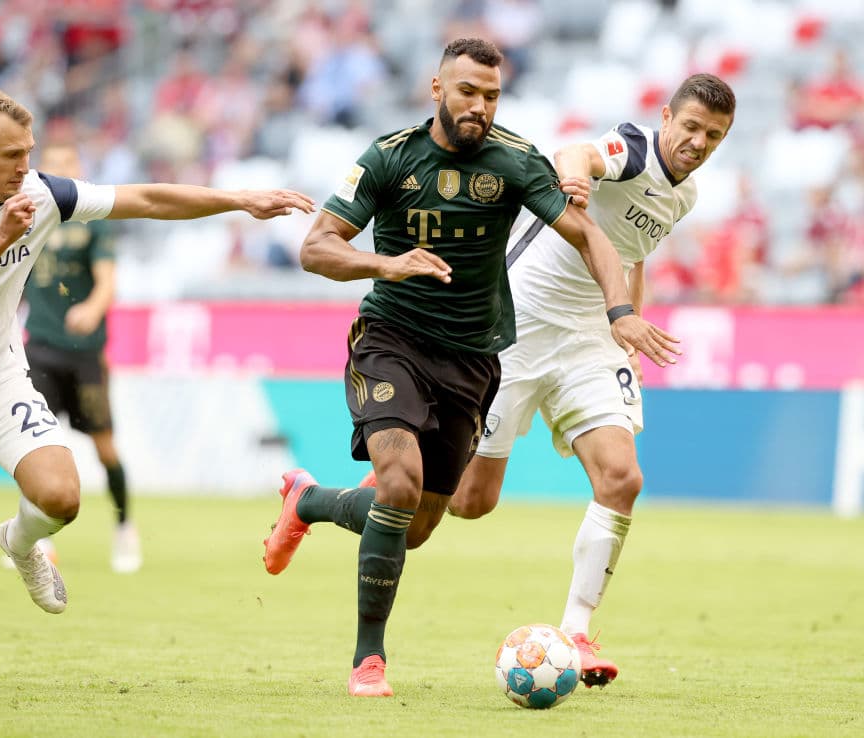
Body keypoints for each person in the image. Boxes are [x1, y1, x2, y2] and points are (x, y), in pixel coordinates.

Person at [261, 38, 679, 698]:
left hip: (473, 361)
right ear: (436, 89)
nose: (479, 106)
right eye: (467, 92)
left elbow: (590, 233)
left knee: (426, 521)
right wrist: (386, 263)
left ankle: (307, 500)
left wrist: (621, 310)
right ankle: (369, 659)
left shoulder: (514, 161)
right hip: (391, 341)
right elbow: (318, 247)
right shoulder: (389, 157)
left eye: (491, 96)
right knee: (397, 484)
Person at [0, 88, 314, 689]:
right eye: (11, 156)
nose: (25, 168)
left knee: (61, 496)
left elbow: (145, 198)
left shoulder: (40, 195)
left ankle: (20, 540)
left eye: (29, 154)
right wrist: (0, 236)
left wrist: (238, 199)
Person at [449, 73, 736, 687]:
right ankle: (330, 497)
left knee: (622, 478)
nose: (697, 142)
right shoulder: (631, 149)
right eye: (690, 127)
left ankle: (576, 633)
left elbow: (630, 255)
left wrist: (628, 326)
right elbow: (577, 153)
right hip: (517, 328)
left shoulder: (685, 197)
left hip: (591, 339)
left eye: (713, 135)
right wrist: (575, 174)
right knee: (468, 502)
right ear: (665, 118)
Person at [21, 142, 140, 574]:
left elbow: (108, 281)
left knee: (104, 445)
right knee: (36, 445)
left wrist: (91, 308)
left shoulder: (94, 221)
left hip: (86, 353)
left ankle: (125, 525)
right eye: (53, 164)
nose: (60, 171)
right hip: (40, 347)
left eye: (68, 163)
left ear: (79, 171)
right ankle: (37, 542)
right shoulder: (25, 217)